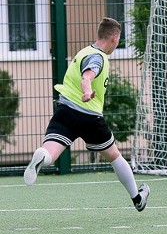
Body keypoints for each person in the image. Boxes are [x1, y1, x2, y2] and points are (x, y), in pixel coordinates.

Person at [23, 18, 150, 211]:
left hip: (65, 111)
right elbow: (87, 76)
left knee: (51, 153)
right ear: (114, 38)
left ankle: (42, 156)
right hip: (88, 116)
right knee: (114, 155)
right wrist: (87, 91)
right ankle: (137, 198)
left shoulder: (84, 51)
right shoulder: (98, 57)